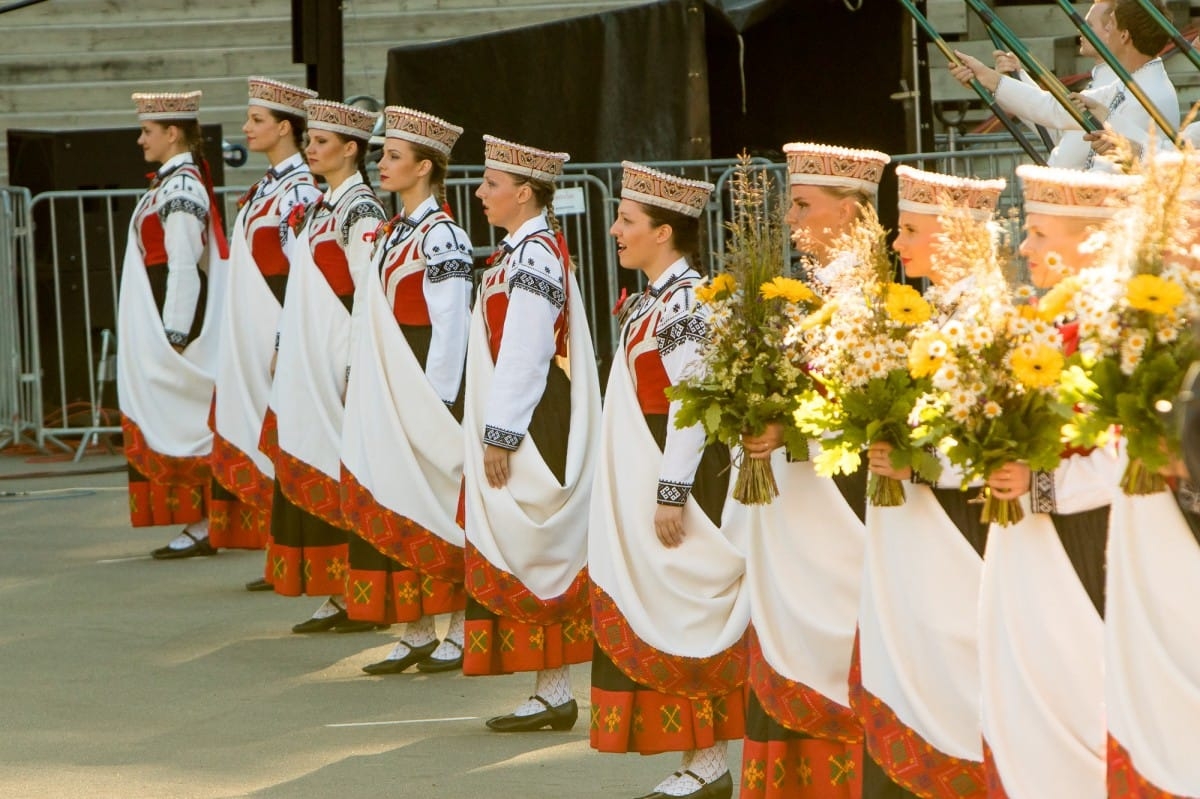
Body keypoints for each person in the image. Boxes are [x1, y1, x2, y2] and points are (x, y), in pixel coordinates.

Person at [737, 143, 891, 799]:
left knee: (843, 642)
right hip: (795, 508)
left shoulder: (872, 304)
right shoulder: (801, 297)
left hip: (844, 503)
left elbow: (860, 412)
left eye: (803, 205)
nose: (791, 218)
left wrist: (786, 426)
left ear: (854, 217)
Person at [978, 164, 1134, 798]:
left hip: (1092, 539)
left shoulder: (1119, 329)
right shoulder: (1040, 323)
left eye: (1039, 234)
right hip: (1036, 536)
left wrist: (1039, 485)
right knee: (1029, 691)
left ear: (1089, 243)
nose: (1023, 249)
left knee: (1085, 696)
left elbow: (1129, 456)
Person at [588, 162, 740, 799]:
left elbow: (692, 401)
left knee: (684, 608)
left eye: (627, 220)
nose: (616, 230)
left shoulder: (684, 304)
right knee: (668, 604)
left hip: (682, 474)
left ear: (664, 232)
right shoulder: (658, 299)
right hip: (655, 467)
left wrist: (671, 491)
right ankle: (698, 756)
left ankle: (709, 761)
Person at [855, 165, 1004, 799]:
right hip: (915, 521)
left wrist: (920, 465)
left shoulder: (988, 316)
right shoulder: (922, 308)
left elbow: (1001, 445)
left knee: (957, 668)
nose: (896, 243)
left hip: (965, 526)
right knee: (912, 656)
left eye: (910, 229)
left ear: (954, 236)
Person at [460, 135, 601, 732]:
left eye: (491, 184)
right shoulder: (523, 250)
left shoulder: (534, 255)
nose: (480, 192)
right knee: (535, 542)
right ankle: (553, 689)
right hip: (526, 410)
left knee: (540, 540)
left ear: (523, 192)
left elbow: (526, 348)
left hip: (534, 413)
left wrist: (501, 432)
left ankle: (556, 688)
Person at [339, 105, 474, 673]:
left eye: (393, 156)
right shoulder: (398, 232)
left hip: (426, 376)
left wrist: (437, 402)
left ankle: (461, 625)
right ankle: (417, 625)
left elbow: (452, 326)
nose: (382, 163)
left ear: (424, 167)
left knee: (441, 501)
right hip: (394, 373)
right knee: (398, 491)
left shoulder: (443, 236)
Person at [259, 99, 385, 632]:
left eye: (322, 142)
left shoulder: (361, 210)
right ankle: (335, 590)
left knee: (346, 469)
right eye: (309, 140)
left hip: (338, 352)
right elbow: (300, 287)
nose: (310, 148)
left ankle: (362, 593)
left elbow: (366, 295)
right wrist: (285, 341)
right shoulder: (320, 205)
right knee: (314, 457)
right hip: (310, 353)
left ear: (351, 149)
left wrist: (357, 363)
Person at [209, 77, 321, 584]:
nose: (245, 128)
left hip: (275, 331)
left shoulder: (298, 189)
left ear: (284, 128)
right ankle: (281, 553)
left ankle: (299, 555)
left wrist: (284, 338)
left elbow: (301, 275)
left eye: (256, 120)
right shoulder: (272, 185)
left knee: (285, 438)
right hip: (255, 333)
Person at [117, 90, 228, 559]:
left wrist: (175, 333)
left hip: (179, 309)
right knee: (185, 416)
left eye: (148, 131)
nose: (141, 140)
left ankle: (210, 519)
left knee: (189, 417)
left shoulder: (181, 188)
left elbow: (184, 264)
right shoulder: (171, 184)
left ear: (172, 133)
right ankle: (203, 518)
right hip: (166, 305)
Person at [949, 0, 1177, 171]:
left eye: (1111, 26)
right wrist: (989, 77)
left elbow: (1114, 172)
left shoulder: (1151, 93)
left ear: (1124, 35)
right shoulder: (1130, 82)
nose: (1106, 32)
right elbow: (1056, 111)